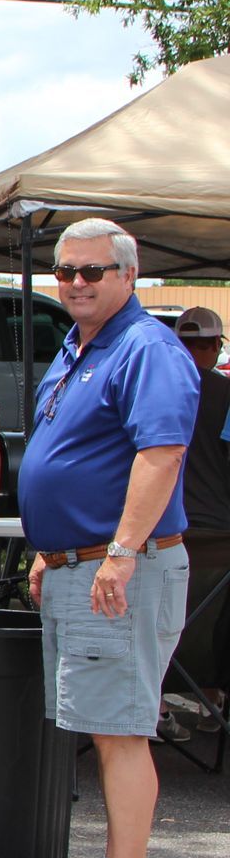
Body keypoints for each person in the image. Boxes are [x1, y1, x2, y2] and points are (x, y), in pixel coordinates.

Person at [21, 218, 196, 858]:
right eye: (66, 271)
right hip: (83, 563)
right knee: (103, 727)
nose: (76, 282)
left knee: (122, 732)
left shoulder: (147, 347)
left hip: (119, 567)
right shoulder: (82, 343)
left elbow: (161, 454)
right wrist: (50, 548)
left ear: (129, 273)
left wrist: (120, 553)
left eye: (93, 271)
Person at [175, 307, 230, 736]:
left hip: (160, 532)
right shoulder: (225, 393)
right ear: (215, 346)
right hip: (218, 537)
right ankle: (212, 696)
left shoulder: (154, 387)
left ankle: (156, 703)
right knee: (213, 619)